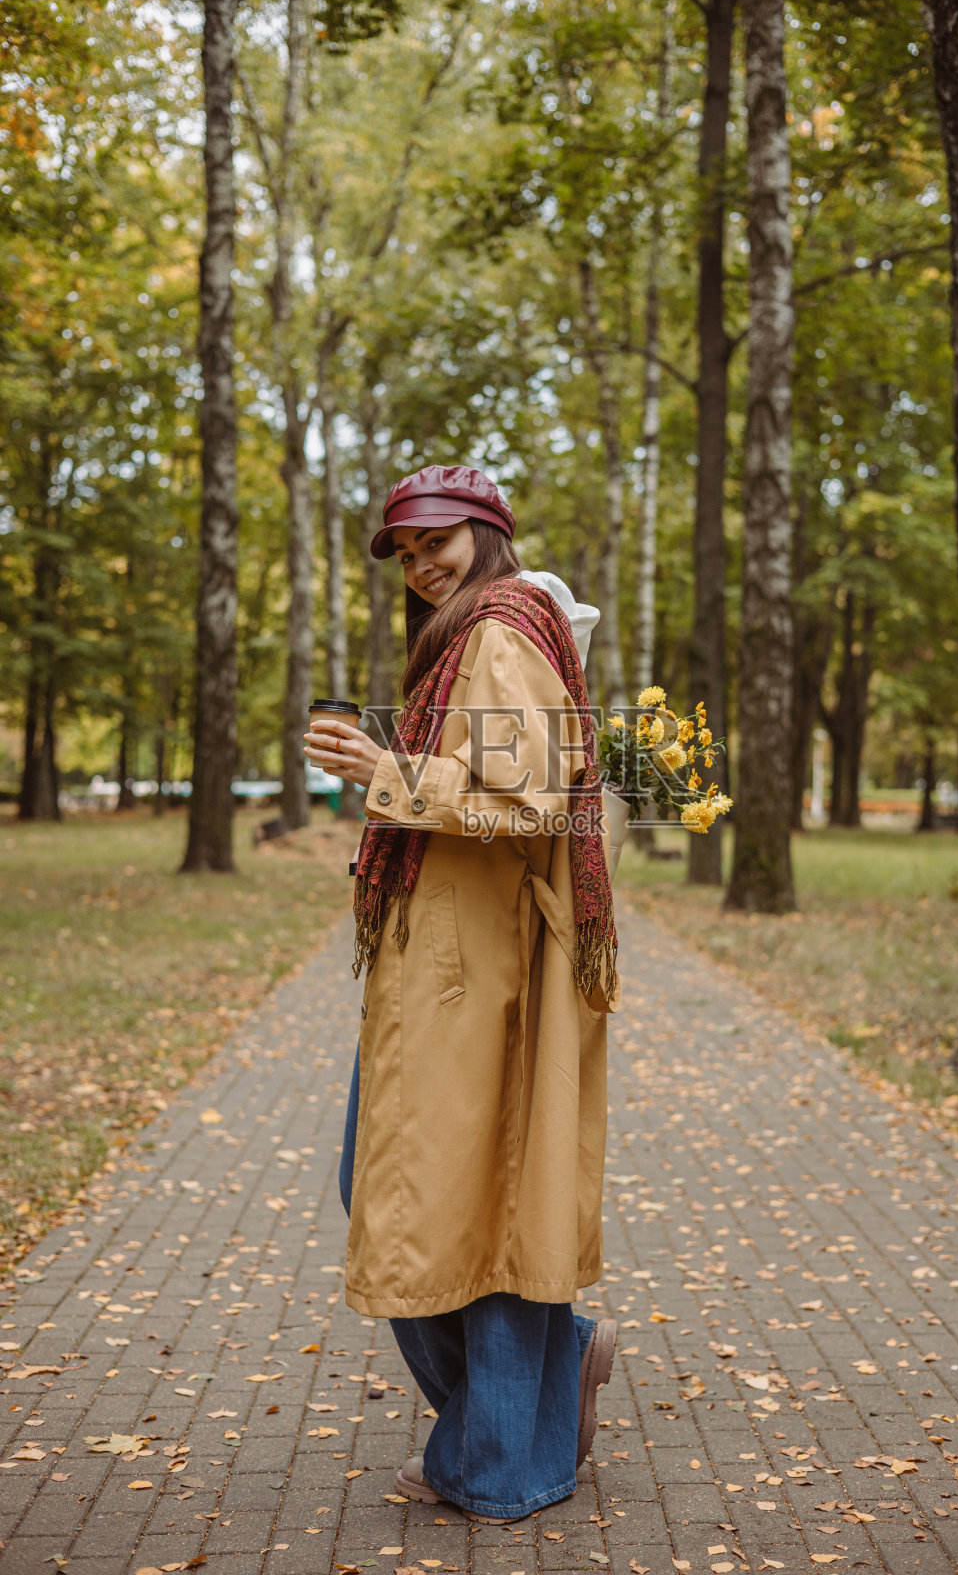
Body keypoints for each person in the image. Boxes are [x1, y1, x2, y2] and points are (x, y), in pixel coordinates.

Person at [303, 464, 618, 1524]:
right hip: (452, 965)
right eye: (405, 550)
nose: (422, 563)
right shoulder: (474, 631)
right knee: (447, 1196)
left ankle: (502, 1456)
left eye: (438, 539)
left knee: (470, 1202)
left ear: (486, 532)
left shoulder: (496, 630)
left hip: (477, 973)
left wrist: (382, 768)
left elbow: (524, 800)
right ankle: (539, 1386)